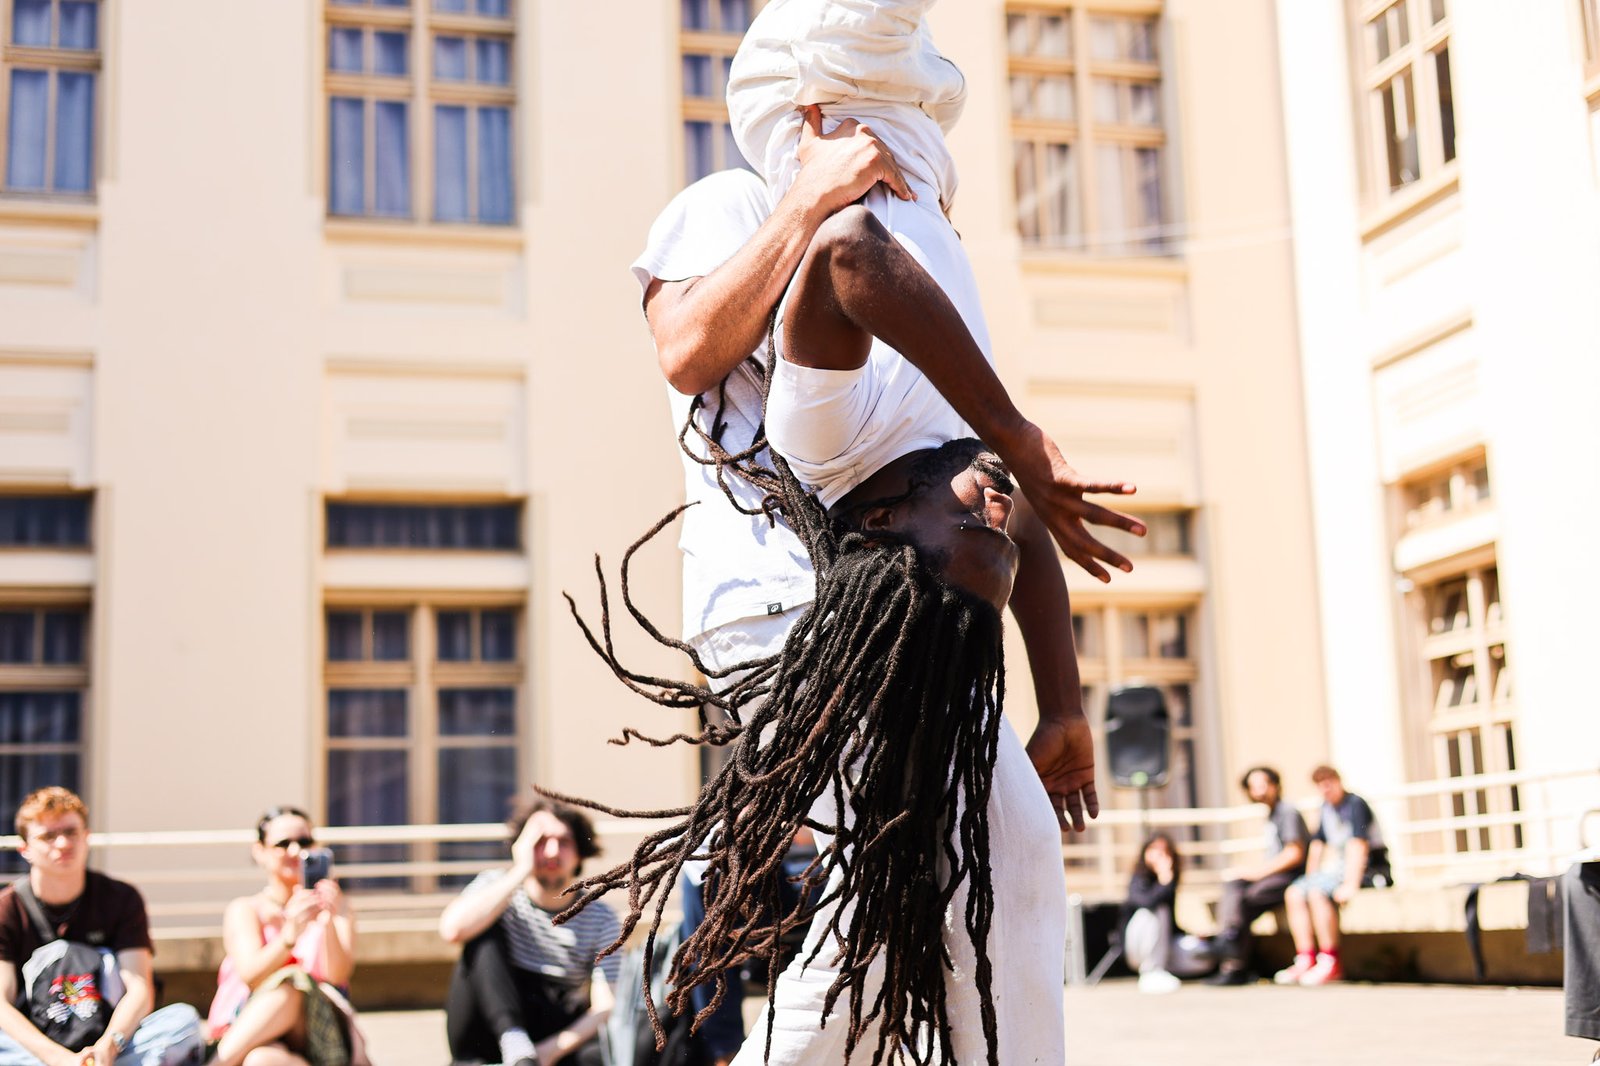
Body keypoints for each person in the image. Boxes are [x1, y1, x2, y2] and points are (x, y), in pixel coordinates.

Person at [0, 787, 204, 1066]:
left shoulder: (121, 898)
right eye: (48, 836)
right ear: (25, 849)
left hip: (110, 1044)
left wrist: (109, 1046)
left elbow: (139, 989)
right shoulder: (7, 908)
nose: (63, 843)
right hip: (38, 1050)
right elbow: (2, 1003)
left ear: (86, 836)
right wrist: (59, 1059)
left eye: (71, 832)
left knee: (183, 1021)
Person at [438, 795, 620, 1066]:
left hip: (553, 1028)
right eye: (540, 841)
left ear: (580, 853)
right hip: (491, 1022)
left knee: (598, 1055)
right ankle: (513, 1040)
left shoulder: (601, 917)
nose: (552, 852)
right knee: (482, 932)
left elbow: (605, 1005)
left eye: (564, 842)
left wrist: (548, 1052)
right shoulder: (496, 886)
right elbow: (452, 930)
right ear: (522, 846)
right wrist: (521, 868)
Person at [206, 806, 361, 1066]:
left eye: (304, 842)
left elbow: (338, 975)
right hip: (252, 1037)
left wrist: (327, 920)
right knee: (261, 1060)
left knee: (292, 987)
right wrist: (289, 936)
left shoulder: (338, 907)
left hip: (319, 1037)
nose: (295, 851)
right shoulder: (246, 910)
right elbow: (252, 976)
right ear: (260, 851)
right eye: (283, 843)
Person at [1273, 766, 1391, 987]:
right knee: (1295, 893)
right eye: (1321, 785)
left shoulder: (1356, 804)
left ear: (1339, 781)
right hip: (1340, 869)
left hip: (1370, 869)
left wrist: (1350, 884)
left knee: (1318, 893)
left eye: (1329, 783)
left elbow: (1359, 844)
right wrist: (1309, 877)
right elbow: (1317, 844)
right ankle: (1306, 957)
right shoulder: (1326, 808)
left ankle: (1331, 959)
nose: (1326, 789)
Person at [1206, 766, 1309, 986]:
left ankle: (1232, 955)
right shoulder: (1272, 814)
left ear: (1275, 785)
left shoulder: (1287, 812)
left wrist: (1257, 873)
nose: (1258, 791)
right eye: (1253, 787)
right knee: (1234, 886)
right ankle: (1229, 940)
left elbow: (1294, 854)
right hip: (1274, 876)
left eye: (1263, 785)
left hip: (1290, 876)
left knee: (1241, 902)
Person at [1120, 834, 1213, 994]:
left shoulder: (1170, 881)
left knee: (1202, 952)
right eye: (1155, 850)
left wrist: (1191, 936)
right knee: (1157, 909)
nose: (1160, 856)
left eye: (1165, 852)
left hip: (1164, 948)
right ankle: (1151, 971)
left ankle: (1163, 970)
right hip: (1137, 948)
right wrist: (1164, 880)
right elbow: (1148, 903)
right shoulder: (1138, 879)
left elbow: (1168, 926)